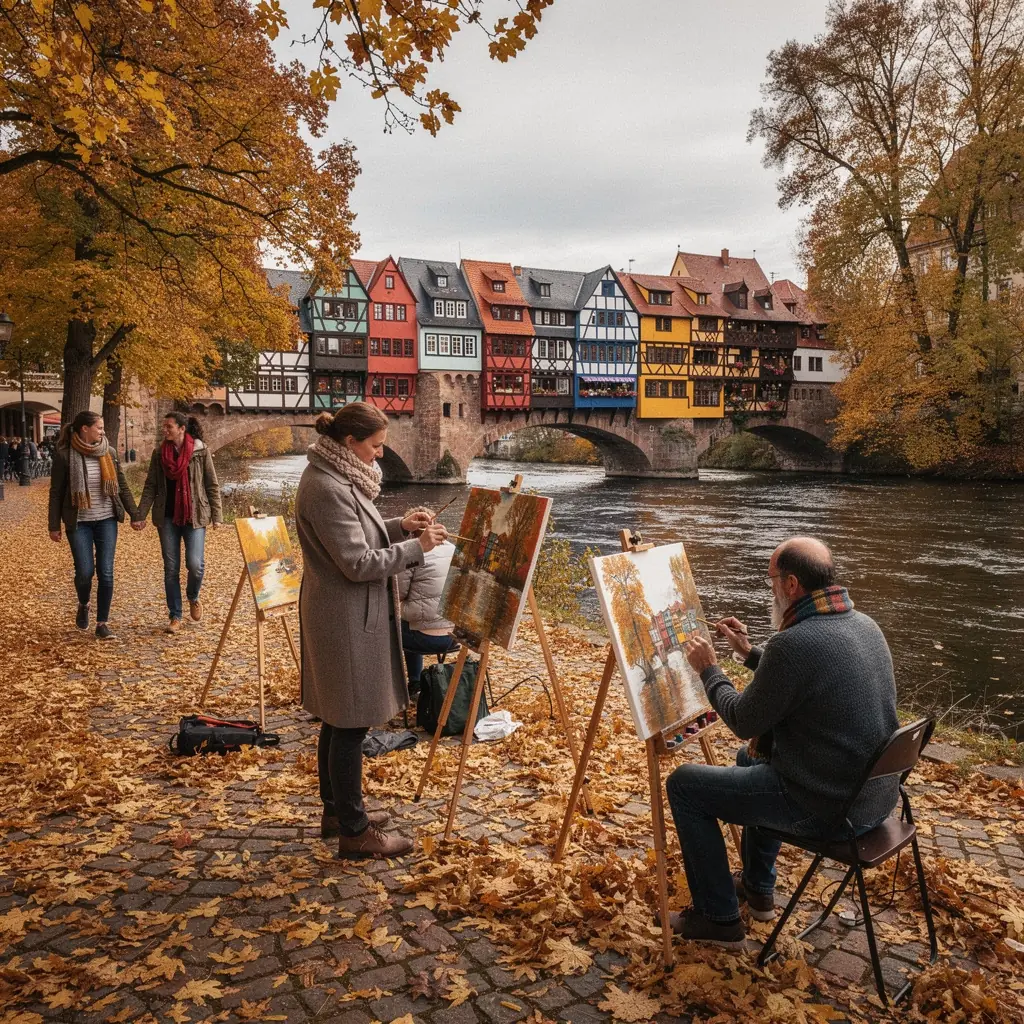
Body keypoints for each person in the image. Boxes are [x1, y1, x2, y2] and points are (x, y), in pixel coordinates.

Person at [665, 536, 899, 949]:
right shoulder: (863, 624)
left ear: (791, 585)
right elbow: (806, 681)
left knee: (685, 786)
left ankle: (717, 919)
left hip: (826, 809)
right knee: (748, 758)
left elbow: (741, 718)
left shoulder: (795, 644)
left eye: (771, 578)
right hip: (874, 798)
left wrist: (709, 669)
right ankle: (757, 888)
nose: (768, 586)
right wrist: (749, 653)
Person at [296, 402, 447, 860]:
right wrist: (416, 547)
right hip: (344, 617)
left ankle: (338, 811)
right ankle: (355, 832)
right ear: (350, 442)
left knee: (338, 717)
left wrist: (398, 525)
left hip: (343, 612)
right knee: (350, 722)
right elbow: (358, 562)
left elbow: (356, 535)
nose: (380, 455)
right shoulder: (327, 486)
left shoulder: (336, 475)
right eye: (376, 446)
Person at [48, 411, 143, 639]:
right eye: (99, 428)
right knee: (84, 572)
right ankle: (83, 603)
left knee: (106, 572)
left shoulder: (108, 452)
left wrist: (135, 514)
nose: (102, 431)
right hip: (79, 521)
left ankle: (102, 623)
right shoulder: (64, 456)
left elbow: (121, 485)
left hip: (106, 520)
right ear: (84, 429)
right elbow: (56, 493)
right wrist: (53, 525)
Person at [138, 412, 222, 633]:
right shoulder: (159, 454)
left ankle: (193, 596)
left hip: (194, 515)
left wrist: (217, 516)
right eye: (164, 427)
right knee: (171, 568)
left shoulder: (200, 451)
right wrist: (140, 514)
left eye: (169, 427)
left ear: (182, 429)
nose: (165, 430)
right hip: (167, 517)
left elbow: (211, 484)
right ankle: (175, 615)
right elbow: (150, 486)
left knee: (195, 565)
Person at [396, 505, 459, 696]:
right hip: (456, 638)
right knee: (413, 620)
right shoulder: (454, 549)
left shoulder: (412, 553)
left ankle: (410, 683)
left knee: (392, 623)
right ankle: (416, 682)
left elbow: (397, 594)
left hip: (424, 639)